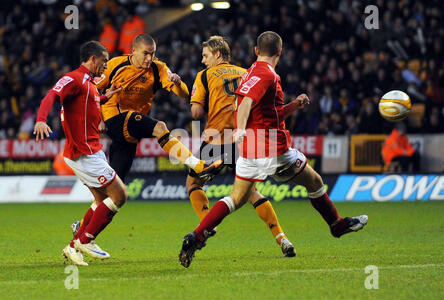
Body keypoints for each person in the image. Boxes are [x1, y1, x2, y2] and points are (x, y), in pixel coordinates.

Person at [179, 31, 368, 268]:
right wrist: (238, 129)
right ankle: (336, 225)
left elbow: (265, 110)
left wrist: (293, 106)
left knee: (236, 198)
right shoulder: (265, 73)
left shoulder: (250, 72)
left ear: (257, 51)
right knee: (315, 182)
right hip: (273, 148)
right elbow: (245, 102)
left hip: (250, 149)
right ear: (280, 52)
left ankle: (195, 236)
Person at [187, 35, 296, 257]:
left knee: (193, 182)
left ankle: (207, 225)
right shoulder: (247, 72)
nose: (202, 60)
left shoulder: (204, 75)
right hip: (245, 138)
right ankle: (282, 238)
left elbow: (196, 113)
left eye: (205, 55)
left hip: (217, 138)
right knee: (252, 192)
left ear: (218, 54)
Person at [34, 41, 126, 266]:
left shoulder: (90, 84)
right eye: (104, 61)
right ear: (92, 59)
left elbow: (89, 104)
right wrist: (40, 120)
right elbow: (51, 96)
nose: (105, 65)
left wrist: (107, 95)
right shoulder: (75, 78)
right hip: (84, 152)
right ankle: (86, 239)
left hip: (89, 151)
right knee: (119, 196)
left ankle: (73, 247)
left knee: (101, 199)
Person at [95, 33, 222, 183]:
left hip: (131, 128)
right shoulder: (115, 65)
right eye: (146, 54)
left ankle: (101, 204)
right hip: (113, 117)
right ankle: (198, 166)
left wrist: (177, 82)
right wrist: (99, 120)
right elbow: (91, 91)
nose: (149, 58)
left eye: (152, 53)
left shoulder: (158, 68)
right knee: (160, 127)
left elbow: (184, 93)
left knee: (116, 189)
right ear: (133, 50)